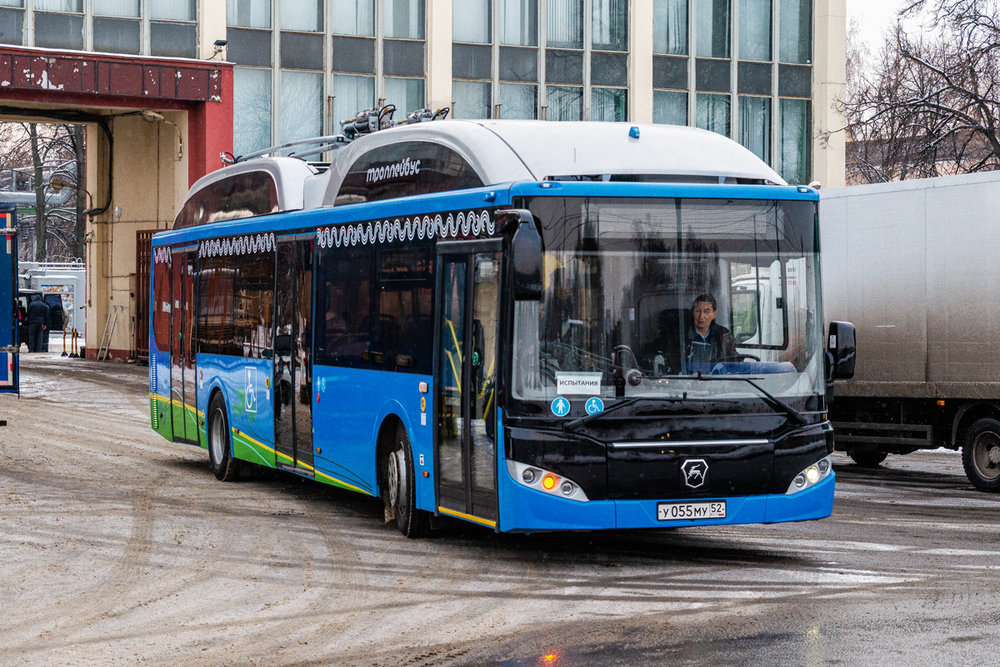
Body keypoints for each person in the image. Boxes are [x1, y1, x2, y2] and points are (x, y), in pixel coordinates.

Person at [686, 293, 737, 366]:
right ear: (693, 312)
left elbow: (733, 362)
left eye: (706, 311)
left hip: (716, 376)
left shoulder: (723, 335)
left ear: (714, 314)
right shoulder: (683, 335)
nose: (701, 316)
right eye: (697, 311)